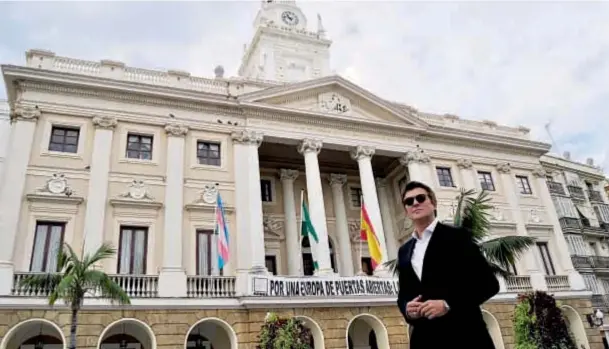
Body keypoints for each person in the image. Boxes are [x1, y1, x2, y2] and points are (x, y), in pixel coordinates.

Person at [396, 181, 499, 349]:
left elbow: (488, 284)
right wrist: (407, 309)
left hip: (465, 336)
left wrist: (447, 304)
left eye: (420, 198)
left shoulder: (457, 237)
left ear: (433, 203)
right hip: (425, 339)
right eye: (409, 201)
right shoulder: (404, 251)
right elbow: (403, 295)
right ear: (406, 210)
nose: (415, 203)